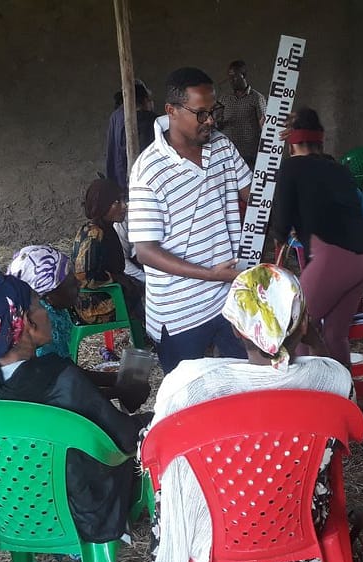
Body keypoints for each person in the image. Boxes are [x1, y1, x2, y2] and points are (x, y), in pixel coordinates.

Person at [0, 266, 151, 562]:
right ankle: (78, 561)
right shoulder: (61, 381)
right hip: (69, 513)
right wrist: (153, 416)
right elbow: (122, 439)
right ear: (25, 324)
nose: (46, 311)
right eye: (38, 305)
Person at [146, 264, 353, 562]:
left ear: (234, 329)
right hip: (300, 520)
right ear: (303, 325)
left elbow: (156, 453)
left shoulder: (188, 385)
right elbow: (351, 424)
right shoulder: (330, 381)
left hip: (213, 531)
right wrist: (317, 340)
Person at [0, 245, 149, 414]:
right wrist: (119, 387)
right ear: (44, 297)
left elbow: (66, 379)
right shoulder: (29, 335)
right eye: (68, 281)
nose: (78, 283)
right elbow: (63, 394)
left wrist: (116, 381)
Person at [128, 66, 252, 374]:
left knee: (248, 386)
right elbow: (145, 251)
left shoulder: (221, 146)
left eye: (213, 111)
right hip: (180, 312)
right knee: (190, 400)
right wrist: (211, 274)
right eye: (201, 113)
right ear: (171, 110)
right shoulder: (149, 171)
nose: (210, 120)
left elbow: (256, 195)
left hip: (230, 299)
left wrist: (278, 151)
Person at [271, 108, 363, 366]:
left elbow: (282, 225)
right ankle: (343, 395)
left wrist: (278, 252)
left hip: (334, 256)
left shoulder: (291, 168)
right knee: (335, 334)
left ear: (292, 143)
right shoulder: (338, 169)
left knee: (294, 331)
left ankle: (303, 397)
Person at [72, 179, 145, 327]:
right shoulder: (94, 234)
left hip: (106, 294)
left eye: (123, 200)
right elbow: (84, 277)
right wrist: (117, 280)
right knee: (145, 297)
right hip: (93, 306)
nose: (124, 206)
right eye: (117, 201)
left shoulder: (106, 229)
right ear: (103, 206)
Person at [216, 60, 268, 169]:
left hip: (249, 153)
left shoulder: (256, 98)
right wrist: (218, 119)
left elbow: (265, 127)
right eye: (229, 77)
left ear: (243, 75)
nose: (231, 80)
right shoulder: (224, 99)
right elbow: (218, 127)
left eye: (234, 77)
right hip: (228, 153)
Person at [106, 80, 156, 188]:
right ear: (144, 100)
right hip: (142, 182)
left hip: (118, 181)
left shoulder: (115, 117)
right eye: (149, 100)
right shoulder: (148, 119)